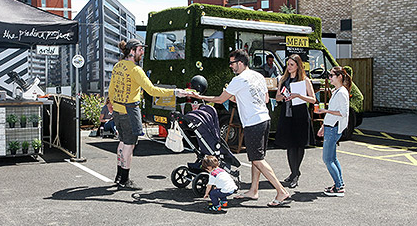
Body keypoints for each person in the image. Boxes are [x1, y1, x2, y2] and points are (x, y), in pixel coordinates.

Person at [191, 49, 290, 207]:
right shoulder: (258, 76)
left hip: (253, 123)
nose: (231, 66)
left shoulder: (239, 79)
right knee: (257, 159)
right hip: (264, 119)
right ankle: (254, 190)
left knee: (257, 159)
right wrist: (238, 97)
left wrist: (200, 97)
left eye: (232, 63)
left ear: (241, 63)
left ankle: (281, 191)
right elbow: (264, 99)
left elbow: (219, 99)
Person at [109, 38, 190, 190]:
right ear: (132, 51)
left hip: (119, 111)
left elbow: (111, 90)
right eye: (140, 50)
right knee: (129, 145)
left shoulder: (117, 66)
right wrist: (175, 92)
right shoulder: (135, 70)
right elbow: (152, 90)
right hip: (129, 111)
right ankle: (124, 180)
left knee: (122, 142)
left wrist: (113, 106)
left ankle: (119, 176)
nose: (142, 52)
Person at [274, 54, 316, 188]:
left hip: (301, 115)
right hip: (287, 114)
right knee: (290, 145)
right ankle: (294, 173)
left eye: (292, 64)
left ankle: (295, 173)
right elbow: (277, 97)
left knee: (299, 144)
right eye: (288, 64)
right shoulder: (283, 79)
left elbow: (313, 99)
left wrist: (299, 95)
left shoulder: (305, 80)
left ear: (298, 66)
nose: (289, 67)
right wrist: (283, 96)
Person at [316, 66, 351, 197]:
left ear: (339, 77)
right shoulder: (337, 91)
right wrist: (324, 126)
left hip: (334, 128)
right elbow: (334, 112)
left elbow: (343, 113)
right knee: (333, 158)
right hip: (330, 126)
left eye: (331, 75)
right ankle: (339, 184)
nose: (329, 78)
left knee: (327, 159)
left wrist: (325, 111)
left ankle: (339, 186)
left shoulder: (342, 92)